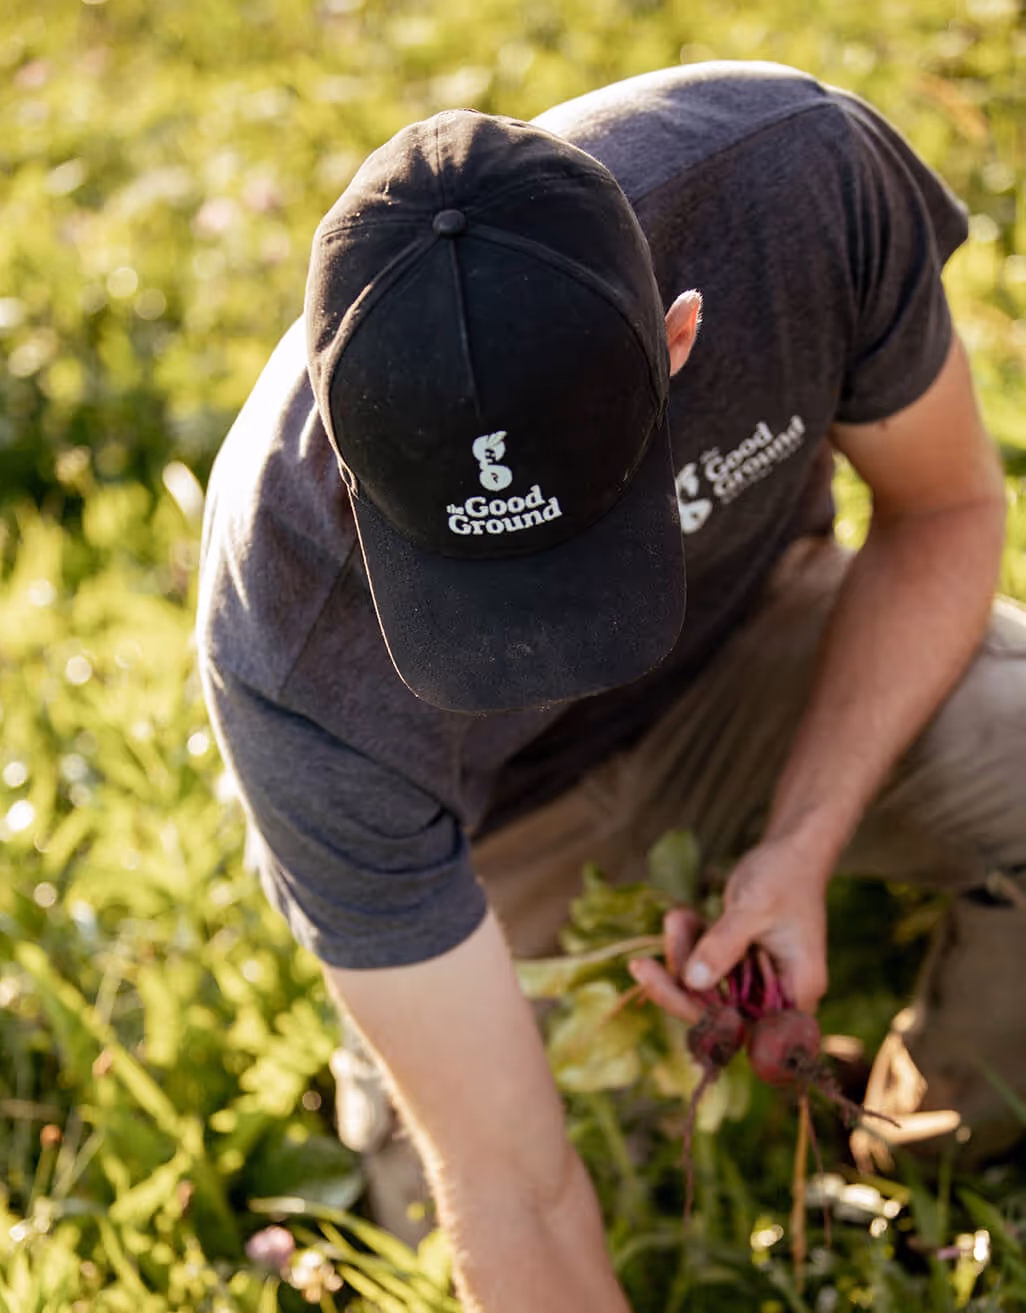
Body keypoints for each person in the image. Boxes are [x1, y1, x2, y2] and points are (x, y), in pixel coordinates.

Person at [197, 60, 1024, 1312]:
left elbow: (948, 508)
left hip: (750, 661)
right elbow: (511, 1185)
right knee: (457, 1202)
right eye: (481, 580)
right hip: (490, 837)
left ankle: (927, 1175)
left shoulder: (795, 186)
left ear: (680, 336)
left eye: (587, 541)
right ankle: (439, 1048)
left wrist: (802, 840)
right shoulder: (285, 626)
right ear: (343, 455)